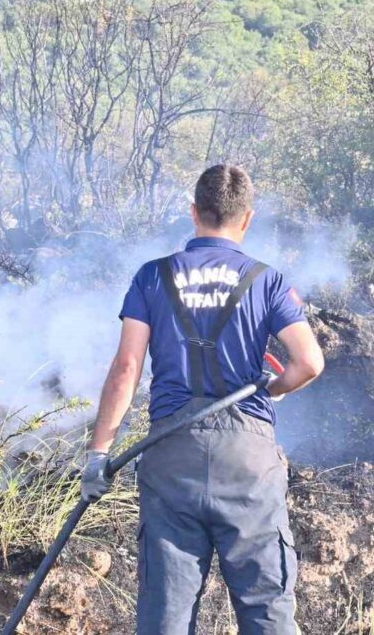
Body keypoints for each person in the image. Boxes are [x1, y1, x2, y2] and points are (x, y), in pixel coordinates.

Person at [81, 164, 325, 634]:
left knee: (166, 617)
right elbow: (309, 363)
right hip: (248, 460)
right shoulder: (267, 281)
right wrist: (268, 391)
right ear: (247, 219)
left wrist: (99, 456)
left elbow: (127, 368)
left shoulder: (153, 277)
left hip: (172, 457)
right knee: (266, 610)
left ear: (194, 213)